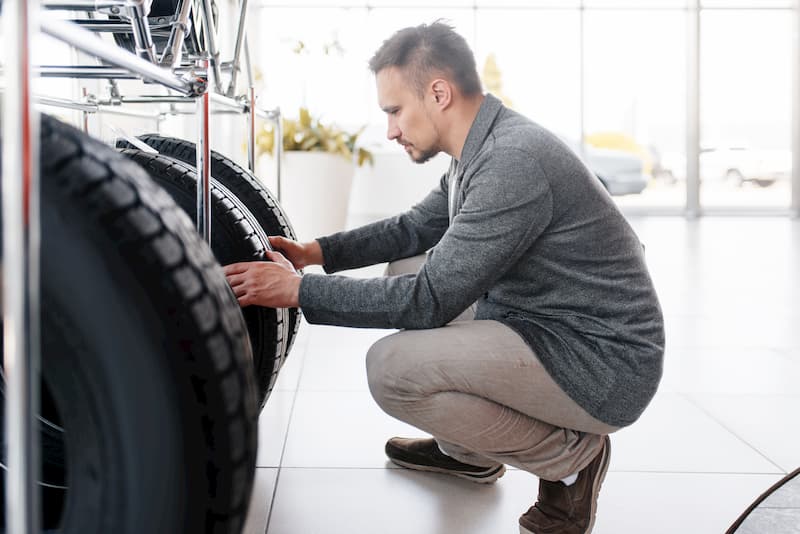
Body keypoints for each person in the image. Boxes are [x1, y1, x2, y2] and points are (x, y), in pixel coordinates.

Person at [224, 20, 664, 534]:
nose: (389, 129)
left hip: (599, 361)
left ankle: (572, 457)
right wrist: (314, 252)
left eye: (394, 111)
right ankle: (470, 453)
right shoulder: (479, 148)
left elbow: (427, 301)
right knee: (407, 264)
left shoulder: (511, 162)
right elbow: (415, 228)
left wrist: (298, 291)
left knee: (392, 370)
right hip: (542, 318)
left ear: (438, 93)